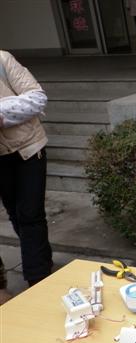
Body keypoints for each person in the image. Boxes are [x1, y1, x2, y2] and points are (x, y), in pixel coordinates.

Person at [0, 50, 53, 290]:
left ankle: (38, 278)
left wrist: (1, 114)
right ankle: (40, 261)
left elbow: (37, 97)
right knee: (16, 213)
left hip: (28, 149)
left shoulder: (2, 60)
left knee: (30, 214)